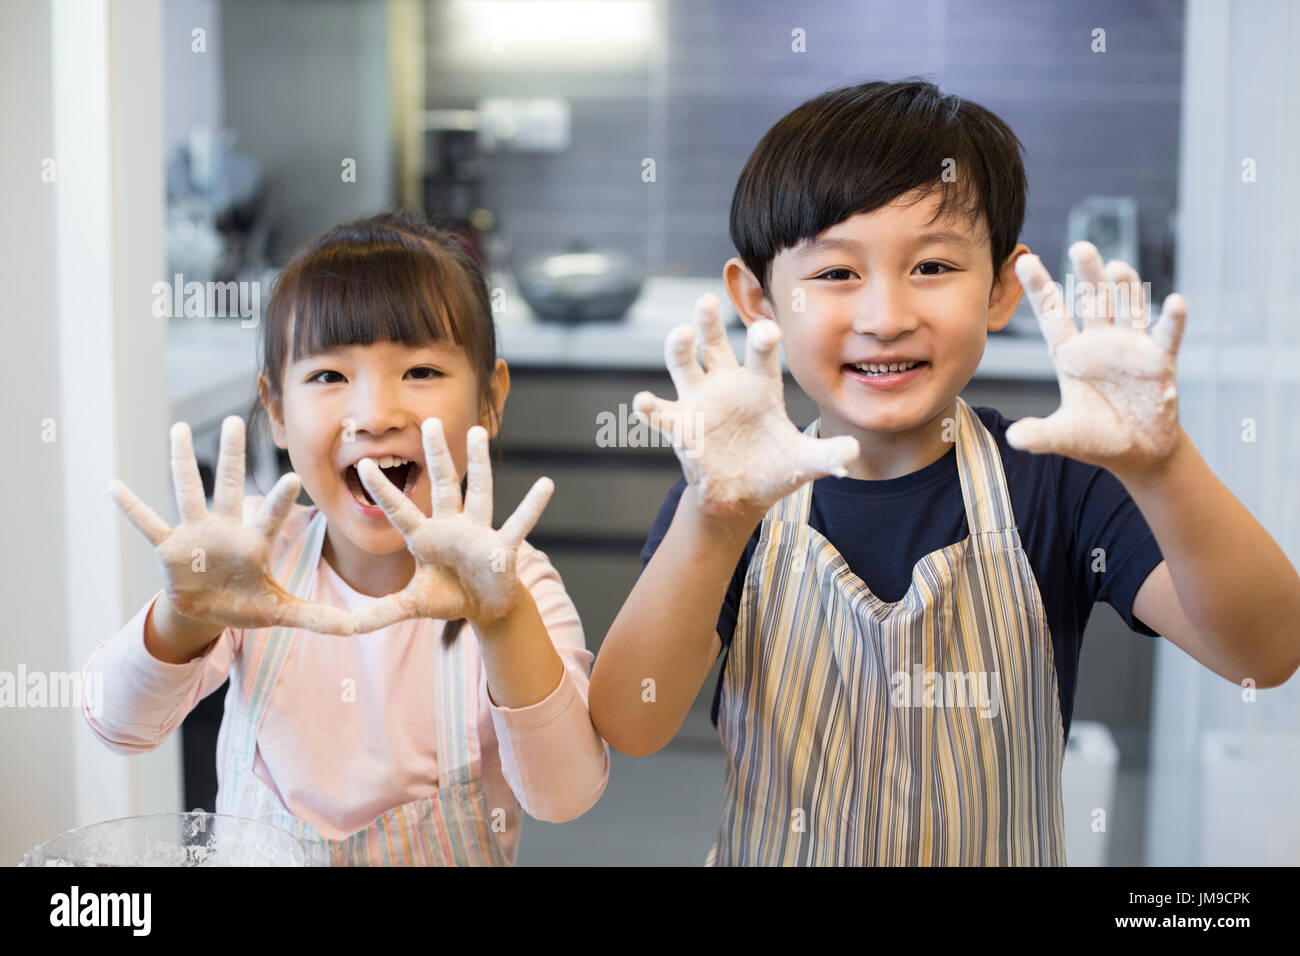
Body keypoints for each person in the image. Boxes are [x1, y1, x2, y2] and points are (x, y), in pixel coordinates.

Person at [588, 79, 1300, 865]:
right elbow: (632, 721)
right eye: (834, 274)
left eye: (932, 266)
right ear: (758, 299)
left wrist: (1164, 467)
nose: (886, 316)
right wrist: (713, 523)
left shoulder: (1058, 483)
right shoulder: (727, 500)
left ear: (1001, 288)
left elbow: (1266, 652)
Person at [85, 211, 609, 865]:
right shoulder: (257, 557)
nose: (374, 415)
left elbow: (565, 795)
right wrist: (182, 617)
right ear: (276, 410)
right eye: (329, 376)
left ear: (489, 400)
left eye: (420, 371)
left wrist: (503, 621)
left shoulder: (518, 587)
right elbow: (117, 725)